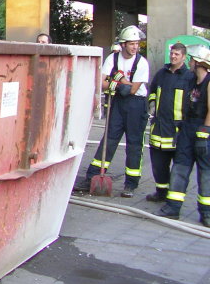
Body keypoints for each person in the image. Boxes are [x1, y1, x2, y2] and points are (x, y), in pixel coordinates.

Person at [73, 25, 150, 197]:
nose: (135, 47)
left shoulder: (141, 63)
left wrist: (115, 79)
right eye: (132, 44)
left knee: (134, 144)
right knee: (109, 139)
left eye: (137, 44)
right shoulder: (112, 59)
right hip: (117, 104)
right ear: (123, 44)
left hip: (136, 105)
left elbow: (132, 89)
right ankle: (93, 176)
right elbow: (102, 83)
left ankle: (131, 184)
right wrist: (121, 82)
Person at [155, 45, 210, 226]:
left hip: (203, 130)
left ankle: (206, 213)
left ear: (198, 62)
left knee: (205, 173)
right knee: (180, 167)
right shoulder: (192, 81)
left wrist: (204, 133)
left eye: (192, 60)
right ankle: (173, 208)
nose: (190, 63)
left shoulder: (208, 82)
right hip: (187, 129)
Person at [145, 42, 194, 202]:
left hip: (177, 131)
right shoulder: (161, 73)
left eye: (177, 54)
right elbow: (152, 91)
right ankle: (161, 192)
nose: (173, 56)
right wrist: (152, 104)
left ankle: (174, 196)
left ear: (184, 57)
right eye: (172, 53)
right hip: (158, 128)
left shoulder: (189, 77)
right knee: (158, 165)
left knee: (178, 166)